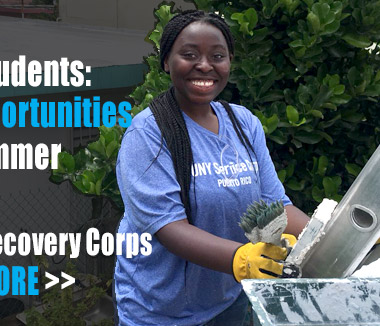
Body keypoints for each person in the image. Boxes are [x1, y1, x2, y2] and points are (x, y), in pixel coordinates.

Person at [114, 10, 310, 326]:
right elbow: (168, 228)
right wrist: (240, 259)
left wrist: (332, 235)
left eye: (217, 56)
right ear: (166, 62)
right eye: (189, 55)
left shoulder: (244, 123)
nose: (205, 65)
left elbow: (275, 208)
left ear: (229, 62)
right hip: (160, 312)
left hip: (226, 301)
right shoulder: (148, 133)